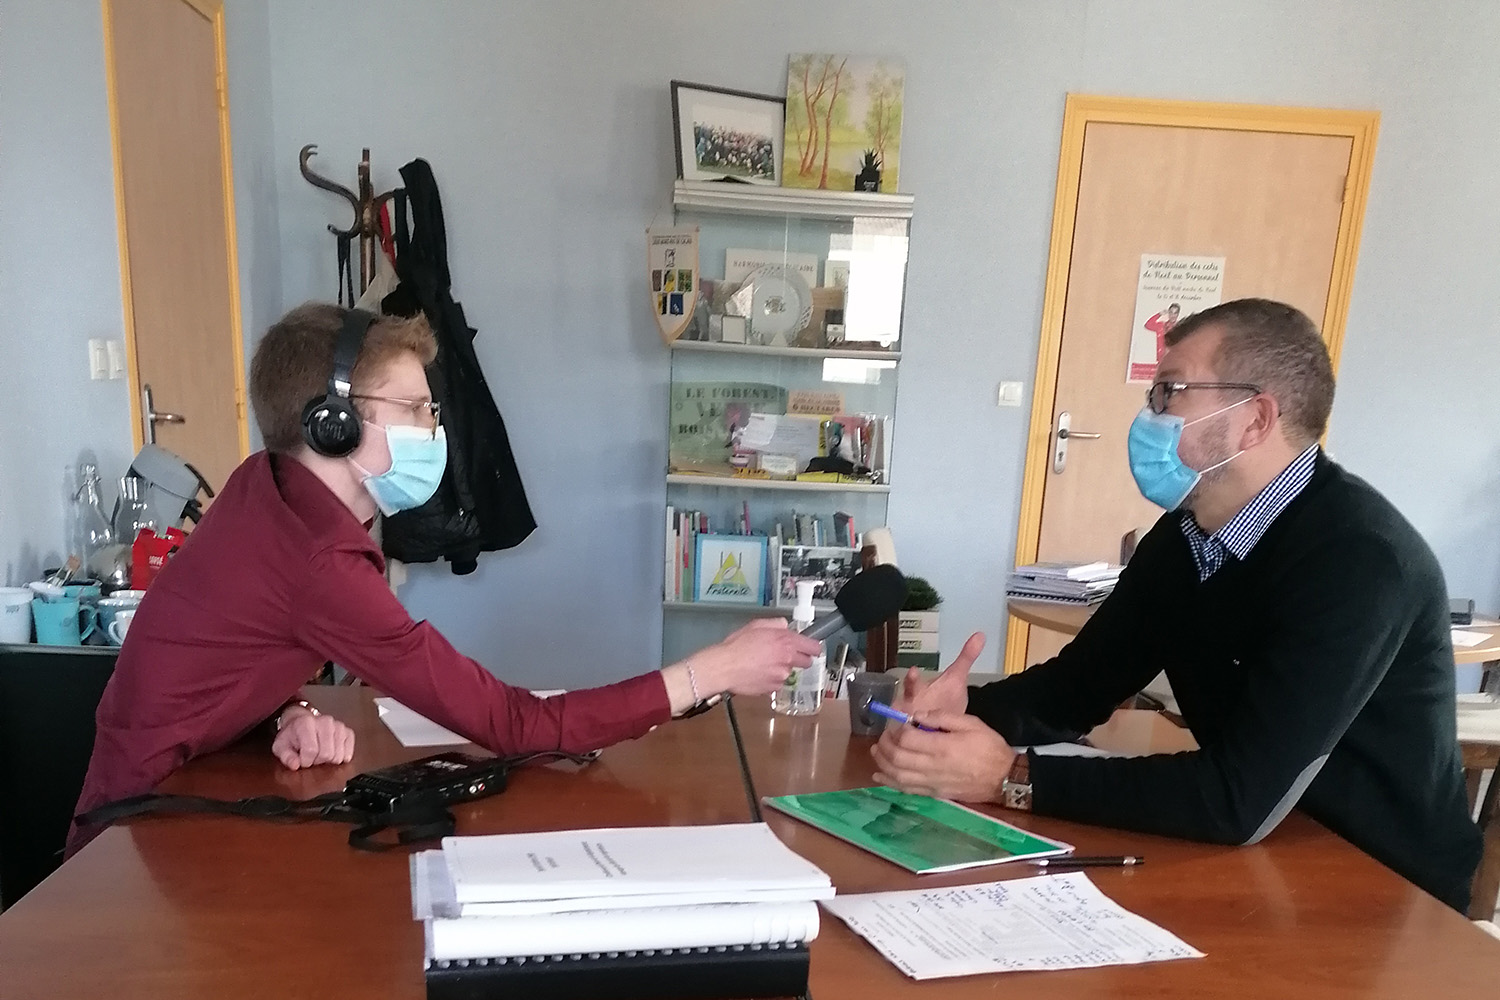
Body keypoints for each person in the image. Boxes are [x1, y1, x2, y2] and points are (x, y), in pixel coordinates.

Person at [68, 304, 819, 854]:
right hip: (138, 833)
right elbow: (519, 728)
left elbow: (221, 647)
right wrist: (714, 668)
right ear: (333, 422)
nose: (436, 427)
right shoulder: (314, 562)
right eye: (416, 408)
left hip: (189, 786)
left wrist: (283, 708)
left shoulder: (268, 490)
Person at [873, 298, 1482, 912]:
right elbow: (1077, 690)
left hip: (1380, 888)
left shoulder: (1358, 560)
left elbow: (1237, 797)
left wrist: (1011, 777)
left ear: (1256, 419)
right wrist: (960, 713)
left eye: (1170, 392)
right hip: (1263, 854)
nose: (1149, 416)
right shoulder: (1184, 537)